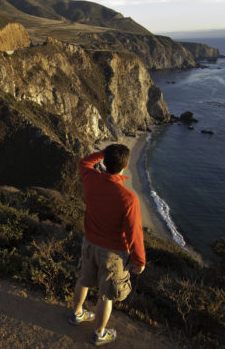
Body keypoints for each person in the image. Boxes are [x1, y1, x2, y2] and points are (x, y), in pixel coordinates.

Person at [69, 144, 146, 346]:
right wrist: (139, 260)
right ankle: (99, 333)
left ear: (104, 161)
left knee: (84, 280)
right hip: (113, 253)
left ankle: (77, 314)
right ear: (126, 165)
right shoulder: (129, 199)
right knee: (106, 295)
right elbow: (134, 233)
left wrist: (104, 152)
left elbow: (84, 162)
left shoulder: (91, 179)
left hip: (89, 243)